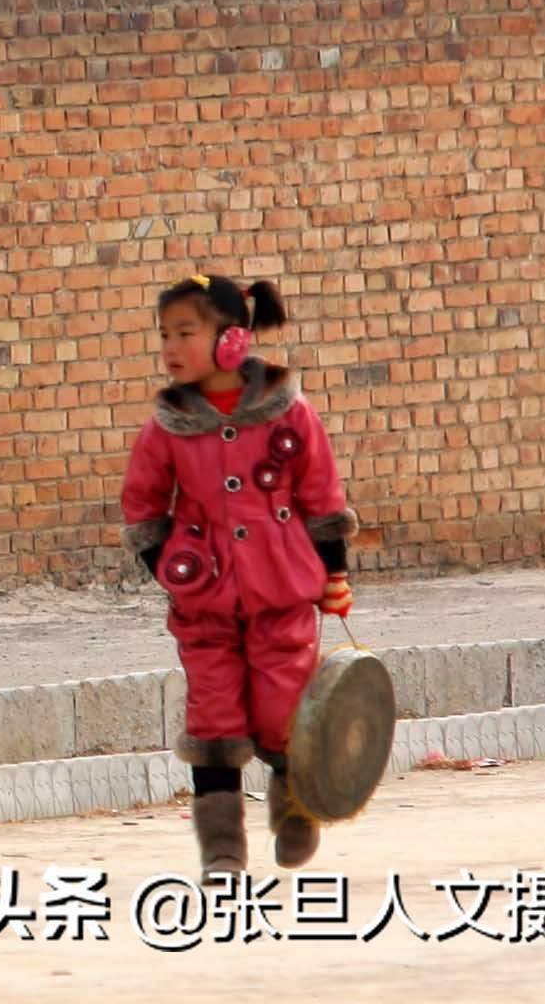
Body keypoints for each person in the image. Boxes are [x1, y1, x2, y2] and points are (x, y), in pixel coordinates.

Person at [120, 273, 356, 881]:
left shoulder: (289, 412)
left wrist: (333, 572)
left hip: (282, 589)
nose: (171, 348)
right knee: (214, 718)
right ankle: (222, 850)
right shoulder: (168, 425)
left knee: (285, 710)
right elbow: (143, 505)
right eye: (164, 335)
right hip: (205, 601)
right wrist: (169, 568)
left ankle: (296, 807)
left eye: (186, 333)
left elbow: (321, 493)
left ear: (232, 339)